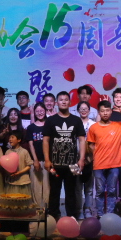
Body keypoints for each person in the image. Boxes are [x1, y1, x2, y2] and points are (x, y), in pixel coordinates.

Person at [43, 91, 86, 220]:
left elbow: (82, 140)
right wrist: (47, 159)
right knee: (54, 191)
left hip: (72, 164)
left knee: (71, 192)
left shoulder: (76, 120)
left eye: (66, 99)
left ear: (70, 102)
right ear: (57, 103)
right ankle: (53, 217)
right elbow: (45, 140)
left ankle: (72, 217)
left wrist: (81, 159)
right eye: (61, 100)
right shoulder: (51, 120)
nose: (63, 102)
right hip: (54, 164)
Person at [86, 100, 121, 217]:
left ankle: (110, 215)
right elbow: (90, 144)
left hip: (114, 164)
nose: (105, 113)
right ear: (99, 112)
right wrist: (97, 154)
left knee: (112, 191)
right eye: (102, 111)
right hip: (99, 164)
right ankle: (100, 215)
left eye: (107, 110)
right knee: (100, 191)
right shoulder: (93, 127)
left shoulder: (118, 125)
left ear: (111, 111)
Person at [26, 103, 48, 209]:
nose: (40, 113)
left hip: (47, 160)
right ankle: (37, 209)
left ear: (45, 111)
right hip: (35, 160)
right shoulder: (31, 127)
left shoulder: (49, 125)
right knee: (36, 186)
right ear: (34, 113)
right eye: (37, 111)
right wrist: (35, 160)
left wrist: (48, 160)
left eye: (41, 110)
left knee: (47, 186)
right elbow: (31, 144)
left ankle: (46, 209)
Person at [77, 101, 96, 218]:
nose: (83, 111)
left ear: (89, 110)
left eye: (86, 109)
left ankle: (87, 209)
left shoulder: (93, 125)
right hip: (76, 159)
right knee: (77, 187)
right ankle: (79, 209)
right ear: (78, 110)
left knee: (89, 187)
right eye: (81, 109)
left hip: (90, 159)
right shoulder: (75, 122)